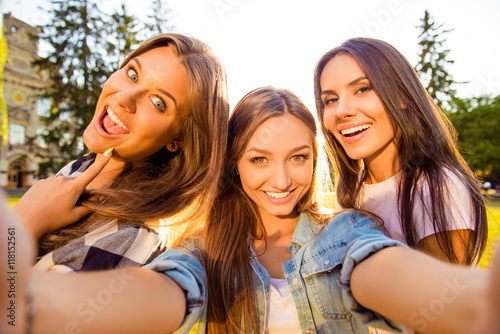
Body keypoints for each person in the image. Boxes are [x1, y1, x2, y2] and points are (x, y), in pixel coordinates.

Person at [3, 86, 496, 334]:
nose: (281, 182)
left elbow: (379, 267)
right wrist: (31, 306)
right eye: (259, 159)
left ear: (315, 159)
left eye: (298, 158)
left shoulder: (347, 230)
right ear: (234, 164)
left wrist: (472, 304)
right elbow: (167, 290)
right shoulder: (206, 247)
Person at [12, 32, 229, 272]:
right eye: (133, 74)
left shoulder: (131, 236)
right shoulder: (82, 168)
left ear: (177, 139)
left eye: (158, 103)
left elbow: (13, 308)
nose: (125, 98)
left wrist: (22, 223)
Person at [313, 37, 488, 266]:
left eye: (363, 89)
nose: (341, 110)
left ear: (403, 96)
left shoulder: (438, 187)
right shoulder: (349, 189)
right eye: (331, 100)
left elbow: (437, 298)